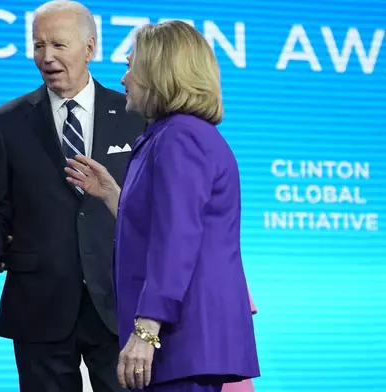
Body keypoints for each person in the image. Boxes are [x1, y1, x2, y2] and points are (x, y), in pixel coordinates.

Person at [64, 20, 260, 392]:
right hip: (179, 341)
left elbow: (177, 240)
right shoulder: (168, 136)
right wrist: (111, 194)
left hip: (180, 340)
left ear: (158, 72)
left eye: (130, 66)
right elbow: (162, 225)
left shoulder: (180, 137)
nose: (123, 79)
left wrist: (147, 330)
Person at [0, 1, 145, 391]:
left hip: (117, 301)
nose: (46, 57)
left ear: (90, 47)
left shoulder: (136, 113)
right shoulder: (7, 121)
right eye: (38, 46)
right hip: (40, 303)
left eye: (58, 45)